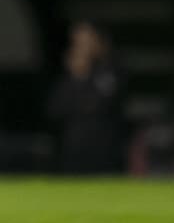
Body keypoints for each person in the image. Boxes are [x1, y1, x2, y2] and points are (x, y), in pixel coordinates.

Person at [45, 21, 123, 174]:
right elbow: (55, 109)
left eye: (86, 41)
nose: (81, 47)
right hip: (73, 146)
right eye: (77, 42)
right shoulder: (69, 76)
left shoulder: (110, 69)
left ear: (97, 41)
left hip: (103, 146)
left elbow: (98, 104)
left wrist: (83, 76)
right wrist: (76, 77)